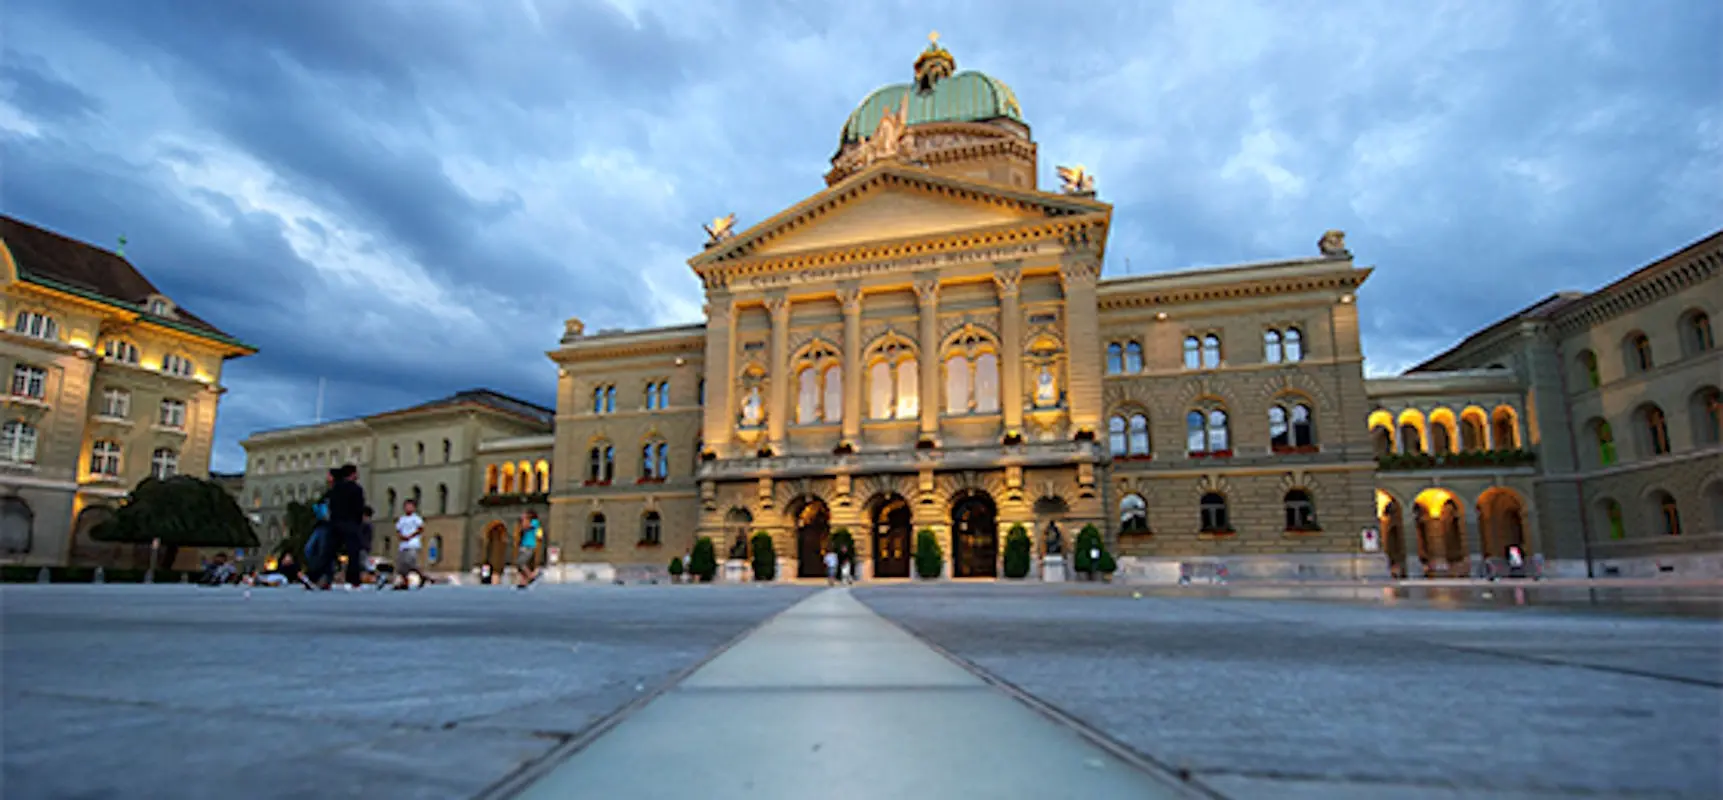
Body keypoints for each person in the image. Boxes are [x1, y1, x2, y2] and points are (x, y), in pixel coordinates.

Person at [323, 464, 368, 590]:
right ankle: (353, 579)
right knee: (353, 553)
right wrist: (358, 522)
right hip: (351, 524)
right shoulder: (356, 489)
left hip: (335, 523)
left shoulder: (335, 488)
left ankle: (325, 578)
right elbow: (359, 508)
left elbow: (329, 505)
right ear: (352, 474)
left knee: (330, 551)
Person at [395, 499, 424, 589]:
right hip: (403, 545)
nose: (408, 508)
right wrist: (401, 537)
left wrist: (410, 536)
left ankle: (422, 576)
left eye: (410, 506)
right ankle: (405, 582)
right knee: (401, 565)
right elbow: (398, 530)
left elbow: (420, 529)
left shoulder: (416, 518)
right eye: (406, 506)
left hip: (412, 544)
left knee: (410, 563)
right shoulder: (402, 519)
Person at [515, 510, 542, 588]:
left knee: (521, 562)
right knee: (520, 565)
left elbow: (527, 527)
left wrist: (523, 521)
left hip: (530, 546)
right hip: (524, 545)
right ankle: (524, 581)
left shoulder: (535, 522)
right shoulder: (526, 522)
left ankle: (531, 575)